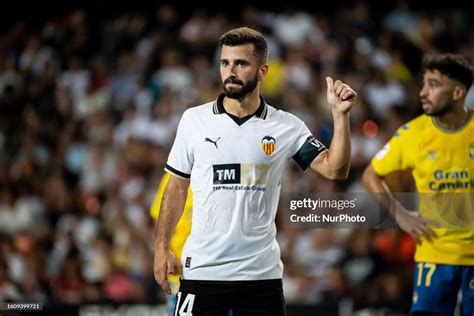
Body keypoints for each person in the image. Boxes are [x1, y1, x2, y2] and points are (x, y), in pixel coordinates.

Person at [154, 26, 357, 316]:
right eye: (225, 63)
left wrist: (340, 116)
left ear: (262, 71)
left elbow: (334, 170)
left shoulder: (286, 126)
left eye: (241, 63)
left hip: (261, 276)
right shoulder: (194, 121)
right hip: (202, 271)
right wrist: (161, 247)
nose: (230, 71)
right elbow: (175, 186)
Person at [362, 53, 473, 315]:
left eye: (433, 85)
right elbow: (370, 175)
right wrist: (402, 216)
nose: (423, 92)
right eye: (423, 83)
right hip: (434, 254)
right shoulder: (412, 134)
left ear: (457, 92)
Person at [150, 173, 192, 315]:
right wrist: (166, 253)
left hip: (213, 270)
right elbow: (159, 219)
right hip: (179, 274)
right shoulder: (172, 177)